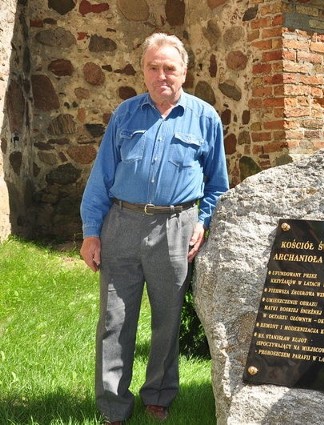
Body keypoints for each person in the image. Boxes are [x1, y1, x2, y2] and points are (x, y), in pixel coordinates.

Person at [80, 32, 229, 424]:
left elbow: (217, 185)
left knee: (167, 318)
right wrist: (91, 231)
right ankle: (113, 407)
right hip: (122, 224)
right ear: (143, 71)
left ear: (184, 72)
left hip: (176, 227)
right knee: (115, 320)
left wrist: (203, 220)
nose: (161, 75)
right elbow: (101, 177)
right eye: (153, 67)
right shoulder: (125, 115)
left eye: (169, 68)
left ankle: (159, 395)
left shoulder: (205, 118)